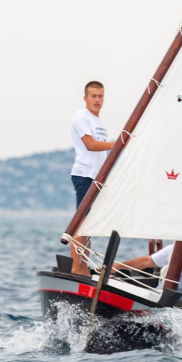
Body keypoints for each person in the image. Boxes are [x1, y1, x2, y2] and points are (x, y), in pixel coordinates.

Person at [69, 81, 115, 275]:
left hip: (96, 178)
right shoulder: (81, 117)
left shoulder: (99, 121)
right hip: (84, 175)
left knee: (88, 225)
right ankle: (76, 269)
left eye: (100, 96)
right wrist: (118, 144)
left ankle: (83, 268)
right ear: (85, 98)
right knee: (80, 223)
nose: (97, 100)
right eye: (94, 96)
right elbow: (90, 145)